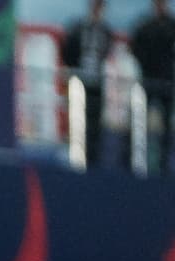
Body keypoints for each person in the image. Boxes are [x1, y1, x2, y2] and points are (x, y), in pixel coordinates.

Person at [129, 0, 175, 173]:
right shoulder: (146, 26)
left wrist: (171, 56)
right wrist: (147, 62)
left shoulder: (173, 25)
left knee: (166, 126)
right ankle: (133, 160)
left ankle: (163, 164)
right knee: (139, 122)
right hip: (151, 80)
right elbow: (134, 48)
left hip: (166, 82)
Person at [61, 0, 114, 168]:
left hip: (96, 84)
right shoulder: (78, 28)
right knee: (77, 119)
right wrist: (72, 71)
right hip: (79, 81)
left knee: (95, 123)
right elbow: (67, 50)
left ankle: (93, 159)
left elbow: (106, 53)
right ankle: (75, 155)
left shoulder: (105, 31)